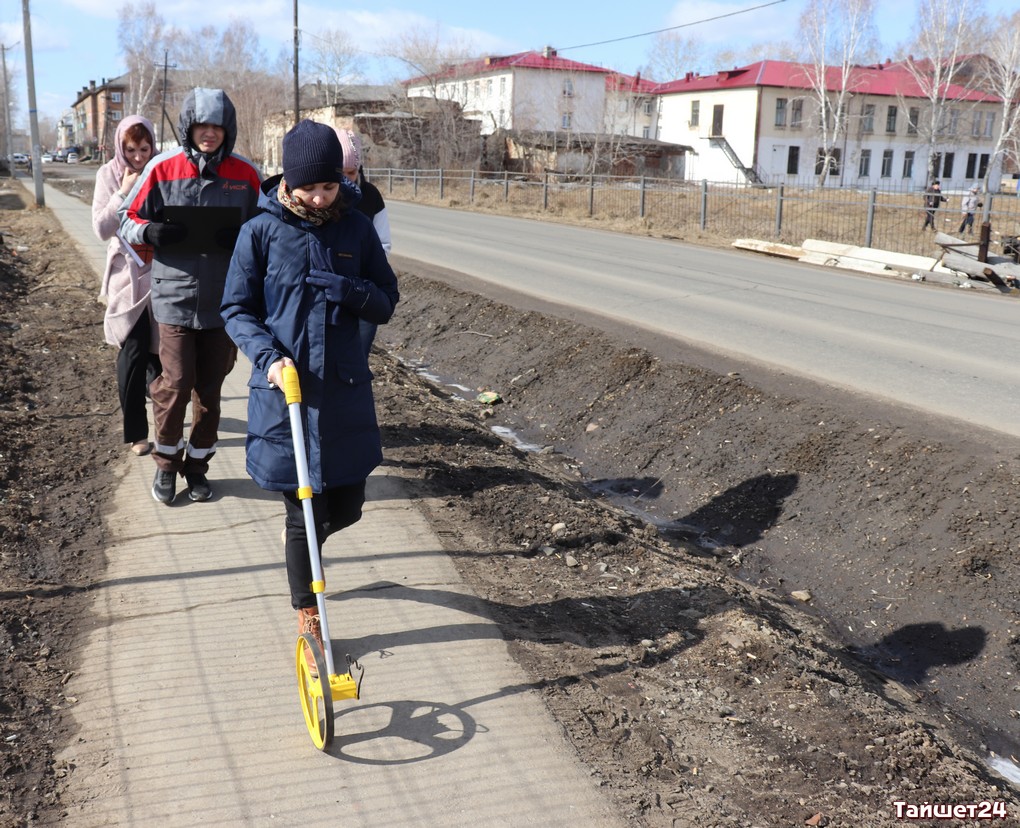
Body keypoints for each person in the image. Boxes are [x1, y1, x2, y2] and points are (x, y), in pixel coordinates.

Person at [220, 119, 399, 659]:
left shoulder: (356, 228)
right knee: (301, 511)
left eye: (328, 187)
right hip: (286, 394)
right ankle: (308, 612)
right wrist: (270, 359)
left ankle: (305, 550)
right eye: (309, 188)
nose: (320, 198)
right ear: (289, 182)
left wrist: (354, 291)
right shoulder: (260, 230)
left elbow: (387, 299)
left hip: (342, 390)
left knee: (346, 505)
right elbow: (236, 309)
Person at [119, 88, 261, 505]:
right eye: (202, 125)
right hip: (174, 299)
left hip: (224, 302)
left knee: (210, 391)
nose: (209, 133)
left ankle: (197, 468)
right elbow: (125, 218)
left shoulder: (245, 174)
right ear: (189, 128)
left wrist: (245, 236)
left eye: (217, 126)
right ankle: (166, 466)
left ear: (227, 130)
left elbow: (268, 227)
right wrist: (151, 232)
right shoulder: (163, 169)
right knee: (175, 384)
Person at [92, 114, 162, 457]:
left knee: (160, 356)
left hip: (163, 273)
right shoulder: (108, 175)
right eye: (130, 149)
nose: (138, 156)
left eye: (144, 148)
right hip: (127, 277)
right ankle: (137, 432)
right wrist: (122, 191)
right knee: (132, 351)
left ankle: (164, 415)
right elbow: (101, 229)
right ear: (121, 148)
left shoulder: (163, 169)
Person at [335, 128, 391, 356]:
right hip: (331, 291)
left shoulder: (371, 196)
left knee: (358, 356)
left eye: (351, 172)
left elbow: (384, 243)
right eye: (341, 172)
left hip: (364, 291)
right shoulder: (322, 195)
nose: (346, 179)